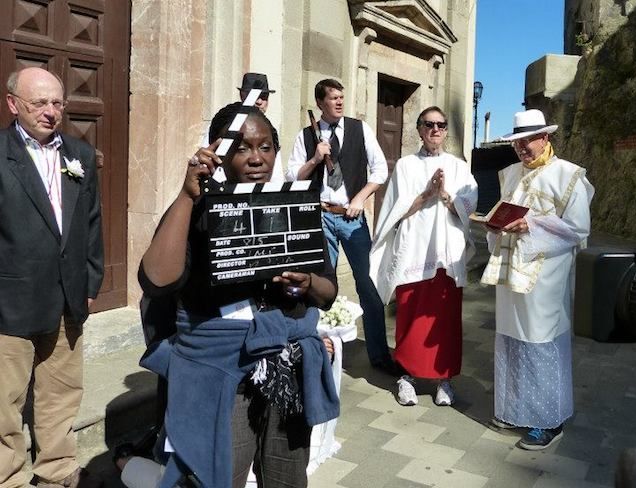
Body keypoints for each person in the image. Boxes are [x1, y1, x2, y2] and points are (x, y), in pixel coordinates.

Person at [138, 102, 339, 487]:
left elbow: (328, 291)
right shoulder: (197, 209)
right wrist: (185, 195)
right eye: (242, 147)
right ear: (220, 151)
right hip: (221, 373)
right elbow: (156, 281)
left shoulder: (295, 206)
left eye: (265, 147)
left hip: (287, 368)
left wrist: (308, 284)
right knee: (219, 474)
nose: (255, 158)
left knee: (287, 477)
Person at [0, 67, 104, 487]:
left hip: (68, 299)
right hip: (11, 301)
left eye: (57, 103)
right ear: (13, 104)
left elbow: (92, 222)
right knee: (4, 402)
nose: (50, 111)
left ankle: (57, 472)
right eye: (39, 102)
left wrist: (91, 283)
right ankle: (7, 477)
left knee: (61, 393)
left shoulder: (78, 155)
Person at [481, 109, 593, 451]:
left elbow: (578, 229)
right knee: (513, 338)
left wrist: (533, 225)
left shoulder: (569, 176)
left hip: (546, 274)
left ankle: (549, 421)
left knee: (541, 341)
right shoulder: (510, 174)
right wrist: (494, 226)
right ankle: (514, 410)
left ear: (546, 137)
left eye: (527, 140)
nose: (521, 147)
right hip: (510, 266)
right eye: (517, 142)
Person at [370, 107, 478, 406]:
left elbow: (468, 206)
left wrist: (444, 194)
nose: (435, 130)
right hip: (415, 250)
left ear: (446, 130)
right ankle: (406, 376)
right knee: (410, 314)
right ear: (419, 129)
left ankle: (444, 380)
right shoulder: (405, 165)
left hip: (446, 252)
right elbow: (395, 210)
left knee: (443, 320)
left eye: (441, 125)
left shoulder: (458, 167)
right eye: (429, 125)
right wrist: (426, 194)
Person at [286, 79, 395, 372]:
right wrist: (315, 158)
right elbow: (293, 177)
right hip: (320, 215)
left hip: (351, 217)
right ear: (320, 102)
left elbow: (380, 169)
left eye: (341, 97)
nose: (339, 102)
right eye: (333, 98)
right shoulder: (306, 135)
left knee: (368, 285)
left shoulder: (360, 129)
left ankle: (379, 356)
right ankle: (319, 351)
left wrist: (360, 198)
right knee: (321, 286)